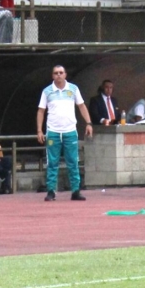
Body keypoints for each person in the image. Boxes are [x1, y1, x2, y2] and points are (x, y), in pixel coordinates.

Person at [36, 65, 93, 202]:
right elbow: (41, 111)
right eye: (56, 73)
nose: (58, 75)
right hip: (53, 132)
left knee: (73, 161)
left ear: (65, 74)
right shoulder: (47, 91)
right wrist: (39, 130)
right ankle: (51, 191)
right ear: (52, 76)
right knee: (52, 162)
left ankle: (76, 191)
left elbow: (81, 105)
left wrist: (88, 123)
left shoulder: (73, 89)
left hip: (70, 131)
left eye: (61, 72)